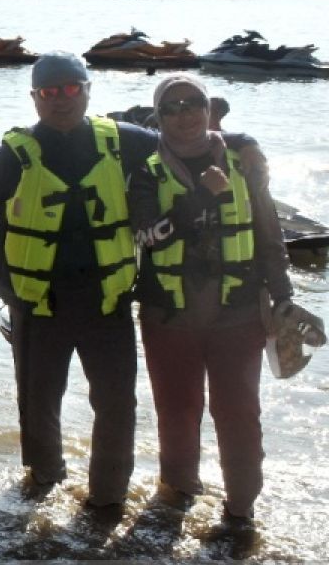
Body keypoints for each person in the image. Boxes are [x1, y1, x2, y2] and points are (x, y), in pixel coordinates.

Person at [128, 73, 322, 524]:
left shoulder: (245, 161)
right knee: (177, 412)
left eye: (192, 103)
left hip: (237, 315)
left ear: (208, 108)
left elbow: (270, 238)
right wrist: (198, 196)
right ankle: (177, 500)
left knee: (238, 413)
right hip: (168, 316)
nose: (184, 115)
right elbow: (146, 236)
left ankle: (241, 512)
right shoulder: (145, 169)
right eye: (171, 108)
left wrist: (284, 299)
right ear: (158, 118)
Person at [0, 51, 157, 508]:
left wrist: (240, 150)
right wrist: (5, 270)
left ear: (88, 90)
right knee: (38, 399)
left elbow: (181, 143)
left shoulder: (123, 142)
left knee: (116, 402)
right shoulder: (14, 154)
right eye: (49, 91)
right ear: (35, 97)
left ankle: (108, 494)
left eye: (72, 88)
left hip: (107, 300)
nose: (61, 99)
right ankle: (44, 479)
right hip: (37, 302)